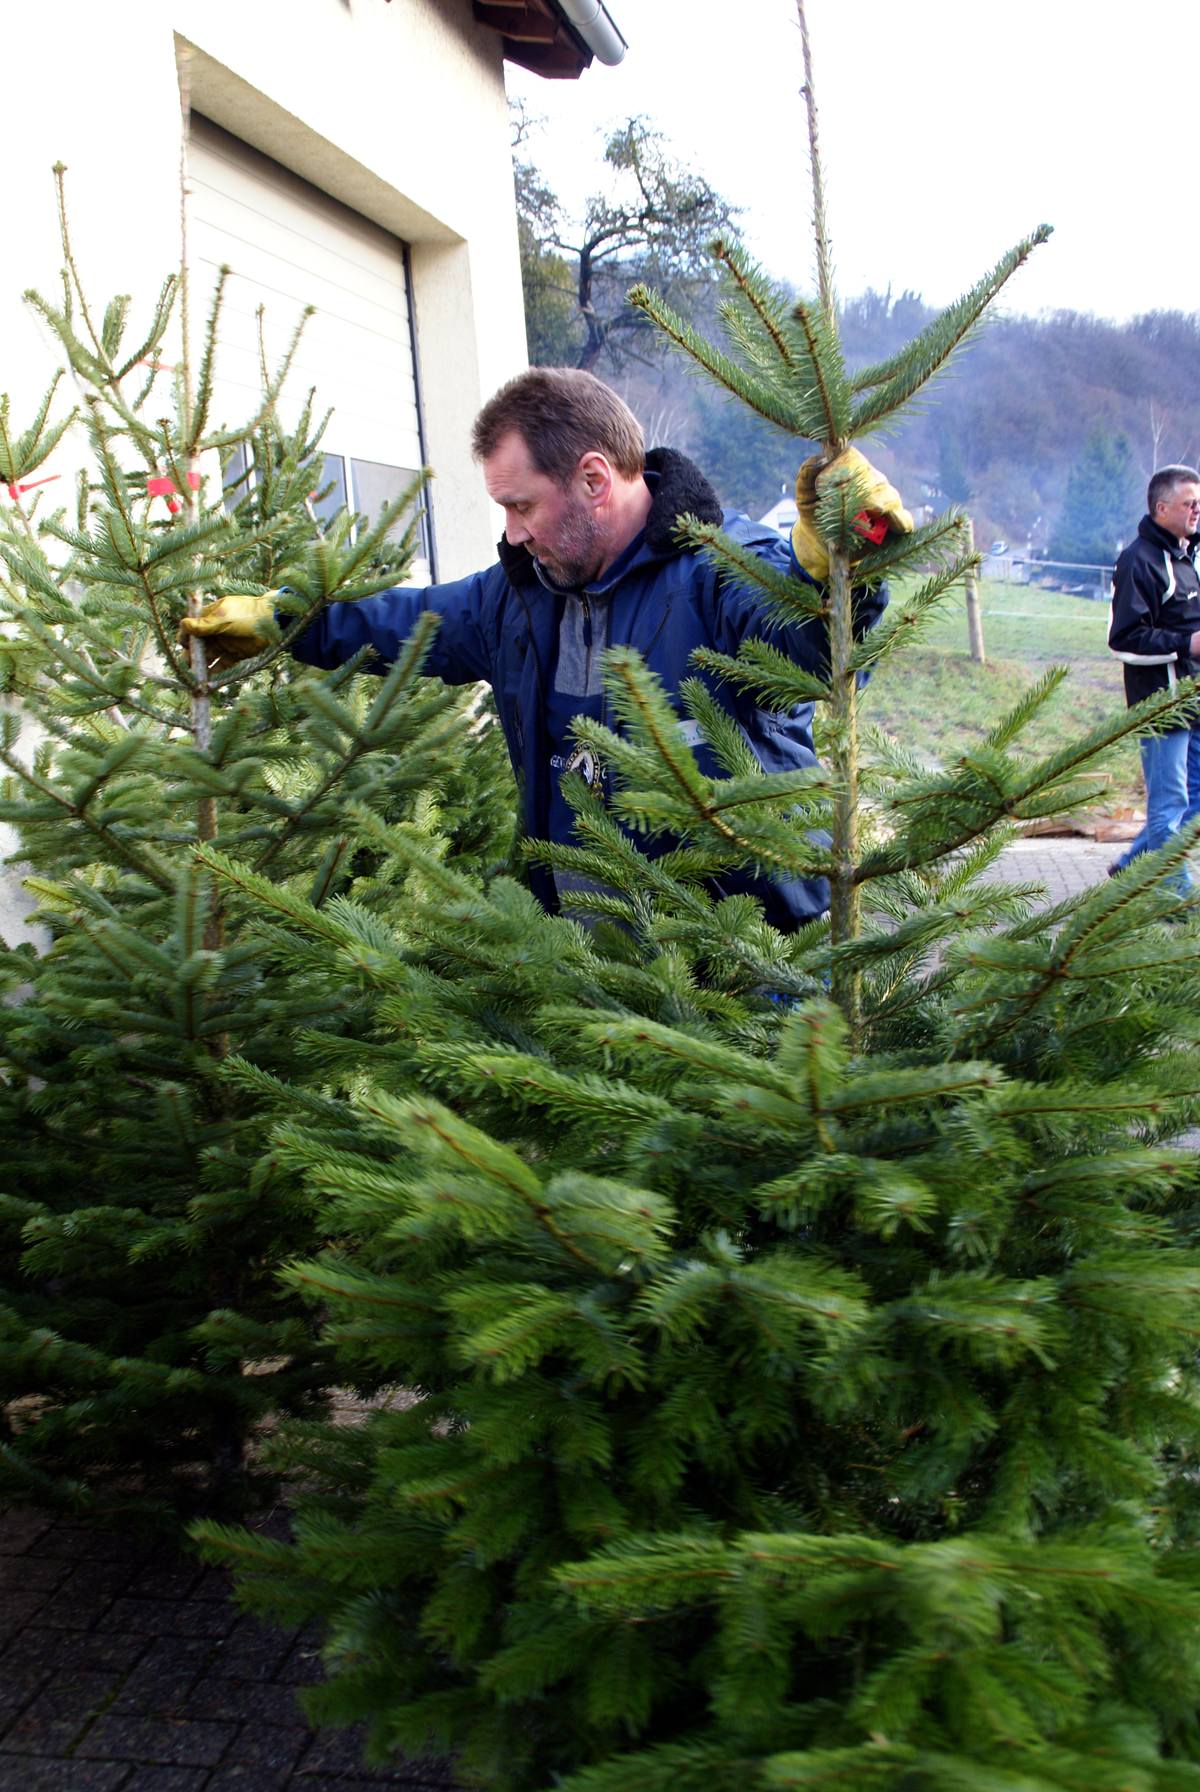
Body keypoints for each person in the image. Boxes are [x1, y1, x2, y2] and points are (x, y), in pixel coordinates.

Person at [182, 368, 908, 928]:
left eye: (520, 504)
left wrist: (833, 577)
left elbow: (812, 652)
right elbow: (401, 621)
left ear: (593, 479)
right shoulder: (519, 597)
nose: (513, 531)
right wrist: (286, 619)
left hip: (744, 977)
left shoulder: (722, 570)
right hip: (587, 974)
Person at [1107, 464, 1200, 887]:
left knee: (1193, 802)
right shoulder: (1138, 561)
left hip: (1194, 703)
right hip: (1163, 706)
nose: (1197, 510)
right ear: (1162, 509)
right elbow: (1124, 639)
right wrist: (1186, 644)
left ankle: (1133, 865)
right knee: (1169, 807)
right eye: (1189, 503)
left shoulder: (1187, 556)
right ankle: (1175, 900)